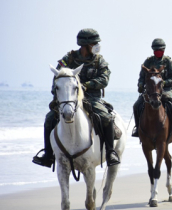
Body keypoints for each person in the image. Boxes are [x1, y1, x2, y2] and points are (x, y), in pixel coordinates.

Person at [32, 28, 120, 167]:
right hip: (69, 99)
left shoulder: (99, 60)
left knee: (106, 118)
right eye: (94, 43)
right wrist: (57, 94)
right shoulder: (68, 59)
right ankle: (48, 155)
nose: (97, 46)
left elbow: (104, 79)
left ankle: (110, 152)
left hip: (92, 98)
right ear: (86, 44)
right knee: (49, 118)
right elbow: (57, 77)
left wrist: (85, 85)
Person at [132, 38, 172, 137]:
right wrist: (140, 85)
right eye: (156, 50)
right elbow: (141, 77)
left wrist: (163, 83)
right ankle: (137, 128)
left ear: (163, 50)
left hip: (165, 89)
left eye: (160, 50)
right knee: (136, 105)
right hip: (150, 90)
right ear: (153, 51)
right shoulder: (148, 62)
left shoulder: (168, 62)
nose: (158, 52)